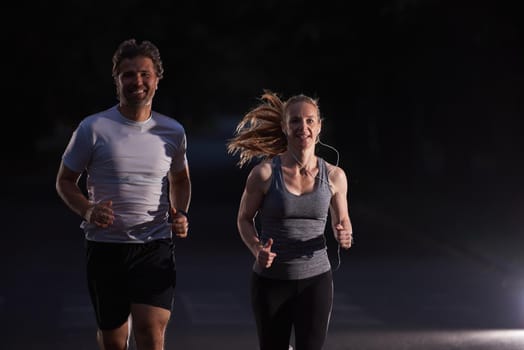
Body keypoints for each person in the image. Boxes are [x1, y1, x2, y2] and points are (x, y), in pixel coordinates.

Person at [55, 38, 191, 350]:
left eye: (145, 74)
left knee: (150, 332)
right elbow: (64, 181)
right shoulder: (93, 128)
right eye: (128, 74)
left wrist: (180, 212)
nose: (137, 82)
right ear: (117, 79)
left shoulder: (172, 131)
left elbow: (180, 179)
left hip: (154, 244)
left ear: (157, 78)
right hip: (105, 247)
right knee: (115, 341)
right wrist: (88, 210)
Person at [227, 90, 353, 350]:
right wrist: (256, 248)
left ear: (319, 127)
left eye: (309, 121)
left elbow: (342, 220)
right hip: (271, 282)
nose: (302, 127)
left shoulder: (335, 176)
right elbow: (244, 219)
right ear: (285, 127)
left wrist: (345, 234)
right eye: (295, 121)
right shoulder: (263, 174)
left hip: (316, 280)